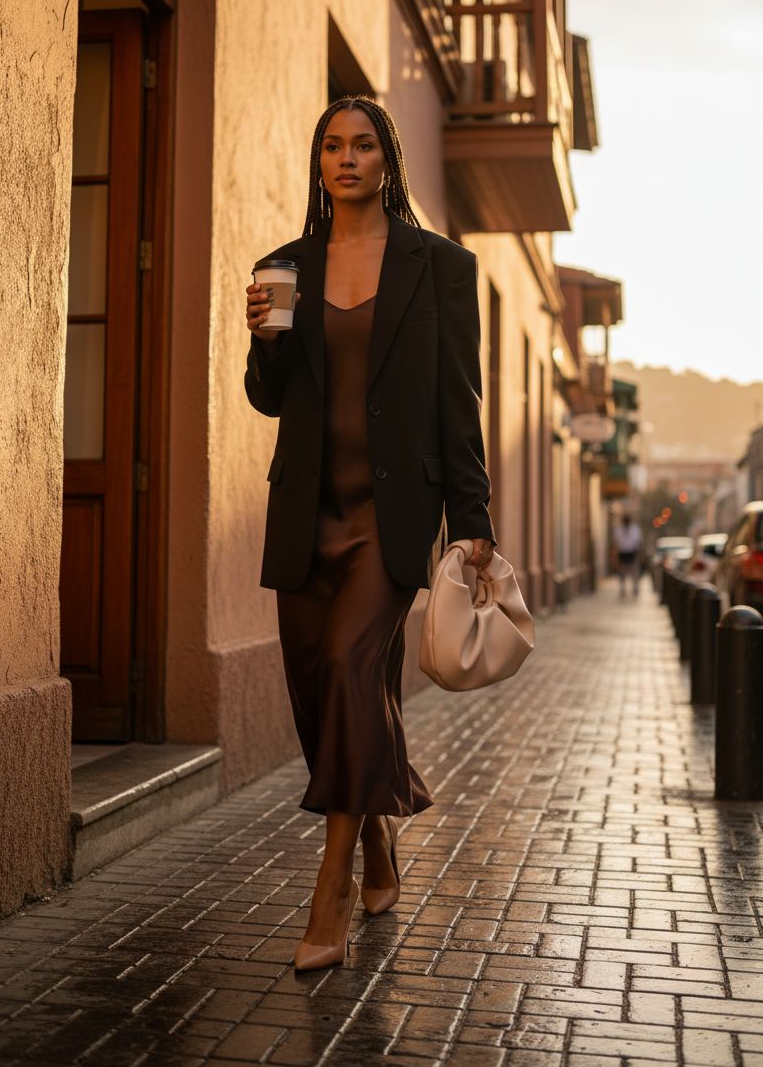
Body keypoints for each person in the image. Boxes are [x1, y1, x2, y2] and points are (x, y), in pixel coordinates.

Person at [244, 95, 496, 971]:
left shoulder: (442, 269)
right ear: (318, 163)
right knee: (323, 697)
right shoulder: (285, 266)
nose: (346, 158)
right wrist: (265, 342)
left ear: (387, 159)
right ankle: (382, 834)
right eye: (331, 146)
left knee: (353, 670)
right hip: (306, 513)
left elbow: (458, 403)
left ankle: (332, 887)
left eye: (362, 145)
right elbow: (268, 398)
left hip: (389, 519)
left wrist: (474, 527)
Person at [613, 512, 643, 598]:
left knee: (634, 572)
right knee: (622, 573)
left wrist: (639, 554)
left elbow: (638, 542)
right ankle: (623, 589)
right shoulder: (618, 529)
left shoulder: (635, 529)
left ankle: (635, 588)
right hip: (622, 553)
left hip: (632, 553)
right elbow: (616, 543)